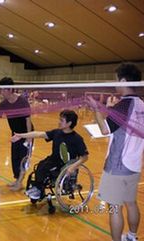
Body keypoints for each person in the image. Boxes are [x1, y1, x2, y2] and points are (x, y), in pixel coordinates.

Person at [87, 63, 144, 241]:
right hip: (134, 164)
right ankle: (132, 236)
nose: (115, 84)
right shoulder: (141, 104)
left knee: (114, 207)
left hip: (118, 165)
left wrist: (96, 109)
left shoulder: (123, 105)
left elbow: (104, 130)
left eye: (116, 80)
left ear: (124, 80)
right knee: (131, 202)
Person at [11, 110, 88, 200]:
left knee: (44, 169)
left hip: (64, 164)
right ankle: (38, 188)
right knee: (40, 166)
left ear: (69, 123)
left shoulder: (77, 139)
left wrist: (73, 166)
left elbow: (84, 157)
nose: (59, 122)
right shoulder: (57, 133)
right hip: (53, 160)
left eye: (62, 120)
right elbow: (39, 134)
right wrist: (21, 135)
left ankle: (38, 190)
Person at [0, 77, 33, 191]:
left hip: (26, 134)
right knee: (15, 158)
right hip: (15, 134)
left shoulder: (22, 101)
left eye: (2, 90)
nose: (0, 92)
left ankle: (20, 183)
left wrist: (29, 138)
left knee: (23, 158)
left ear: (9, 89)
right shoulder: (4, 104)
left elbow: (28, 120)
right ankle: (17, 179)